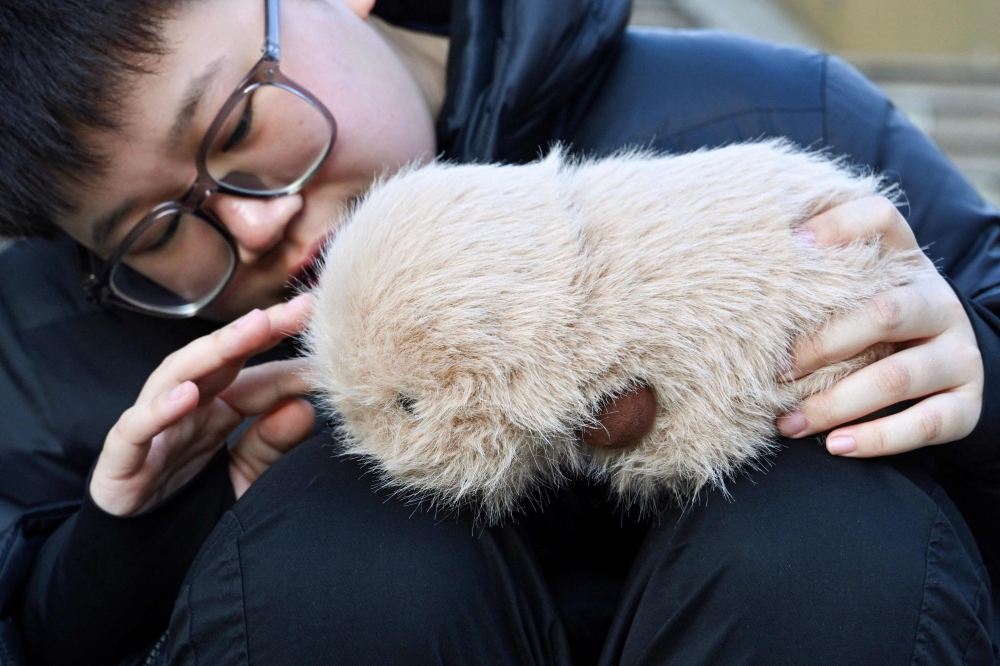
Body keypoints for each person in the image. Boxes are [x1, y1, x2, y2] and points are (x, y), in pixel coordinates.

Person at [0, 0, 996, 664]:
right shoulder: (49, 343)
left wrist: (974, 375)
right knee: (341, 551)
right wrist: (125, 547)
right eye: (159, 230)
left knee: (821, 530)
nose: (251, 225)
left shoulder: (774, 113)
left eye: (238, 128)